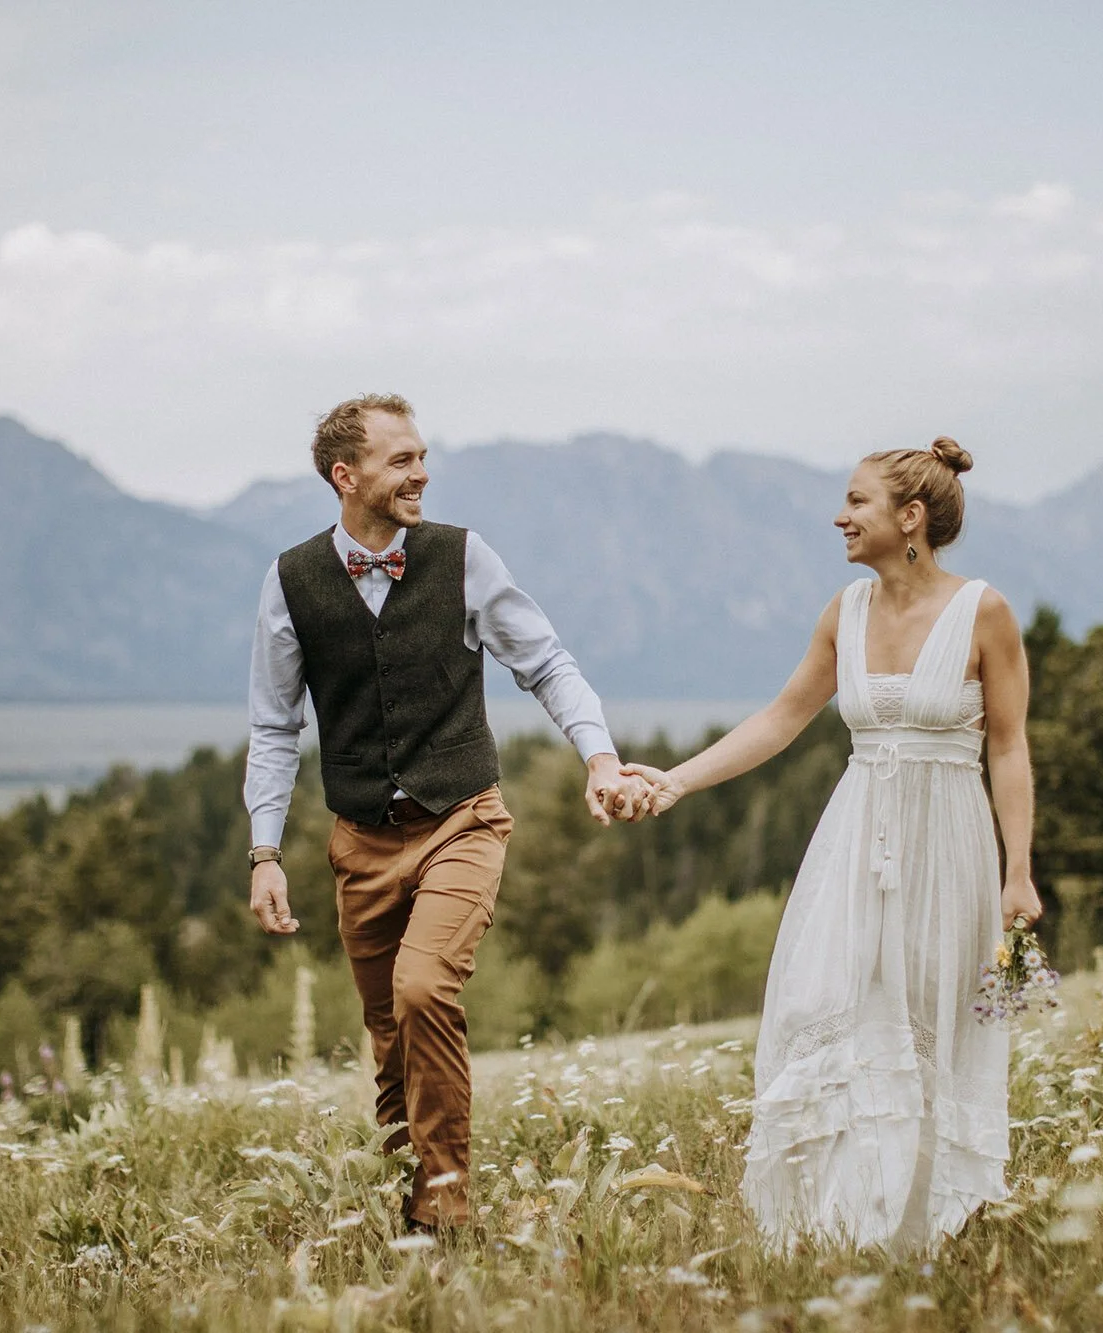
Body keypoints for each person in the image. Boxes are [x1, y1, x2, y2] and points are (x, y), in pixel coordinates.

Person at [243, 393, 651, 1232]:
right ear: (344, 476)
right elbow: (273, 728)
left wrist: (599, 754)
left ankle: (449, 1201)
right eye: (402, 460)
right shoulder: (290, 583)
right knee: (389, 1034)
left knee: (425, 989)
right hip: (359, 840)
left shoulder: (464, 559)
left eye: (422, 455)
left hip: (463, 817)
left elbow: (547, 662)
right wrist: (265, 851)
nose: (422, 472)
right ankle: (407, 1205)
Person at [623, 437, 1041, 1250]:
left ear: (910, 517)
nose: (839, 516)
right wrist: (674, 781)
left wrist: (1017, 871)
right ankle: (842, 1226)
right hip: (854, 842)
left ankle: (924, 1231)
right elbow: (780, 719)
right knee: (837, 1010)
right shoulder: (841, 613)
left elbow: (1010, 747)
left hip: (949, 846)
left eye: (857, 501)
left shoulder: (982, 611)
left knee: (930, 1024)